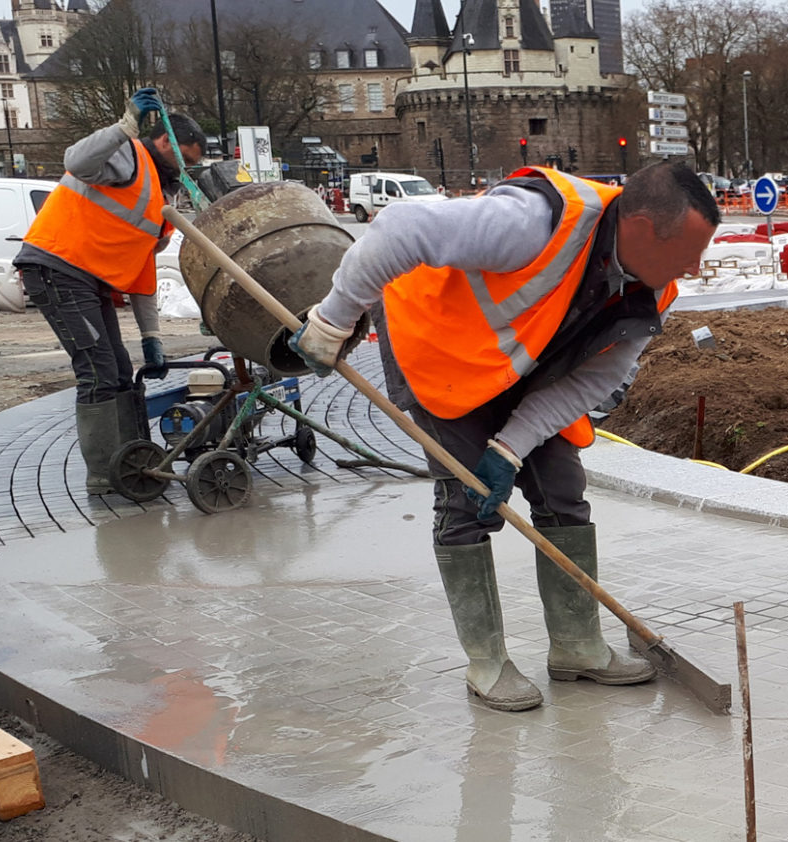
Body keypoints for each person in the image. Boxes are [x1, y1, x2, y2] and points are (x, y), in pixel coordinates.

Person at [289, 161, 718, 711]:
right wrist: (332, 322)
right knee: (467, 503)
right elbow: (398, 229)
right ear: (638, 229)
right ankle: (486, 661)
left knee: (562, 490)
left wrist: (511, 445)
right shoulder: (535, 221)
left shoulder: (654, 290)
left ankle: (576, 646)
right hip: (439, 349)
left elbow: (595, 380)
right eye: (688, 251)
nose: (696, 266)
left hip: (525, 368)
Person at [15, 90, 206, 496]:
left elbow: (141, 272)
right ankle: (106, 474)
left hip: (87, 279)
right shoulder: (128, 156)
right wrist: (125, 125)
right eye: (187, 160)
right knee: (98, 369)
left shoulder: (163, 195)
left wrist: (151, 337)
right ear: (165, 142)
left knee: (119, 368)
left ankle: (132, 459)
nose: (189, 170)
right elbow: (76, 161)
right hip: (56, 267)